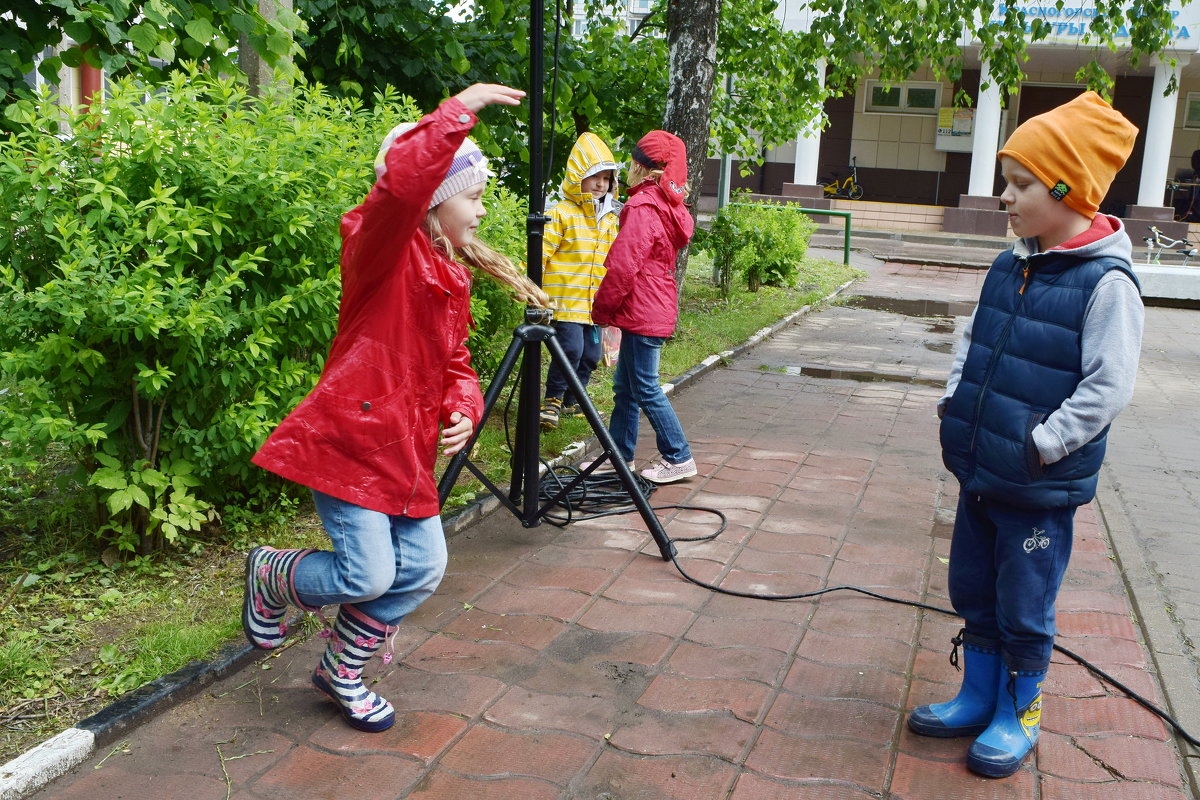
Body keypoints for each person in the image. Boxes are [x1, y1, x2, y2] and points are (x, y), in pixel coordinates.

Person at [242, 83, 547, 733]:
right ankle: (274, 574)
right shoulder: (378, 244)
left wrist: (463, 402)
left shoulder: (451, 277)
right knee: (368, 571)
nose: (483, 211)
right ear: (434, 201)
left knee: (423, 568)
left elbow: (455, 363)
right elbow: (404, 186)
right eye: (475, 196)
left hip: (404, 455)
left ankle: (339, 670)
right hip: (352, 441)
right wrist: (457, 111)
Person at [908, 91, 1144, 778]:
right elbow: (971, 341)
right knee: (974, 585)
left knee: (1024, 601)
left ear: (1068, 189)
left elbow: (1108, 387)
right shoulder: (1009, 264)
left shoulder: (1107, 284)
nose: (1004, 197)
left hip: (1035, 484)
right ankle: (978, 693)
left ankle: (1021, 711)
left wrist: (1044, 445)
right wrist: (955, 402)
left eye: (1021, 184)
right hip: (982, 469)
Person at [590, 130, 697, 484]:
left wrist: (602, 310)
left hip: (643, 310)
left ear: (639, 166)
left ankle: (678, 456)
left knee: (645, 387)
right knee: (626, 387)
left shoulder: (642, 206)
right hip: (651, 306)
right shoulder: (667, 205)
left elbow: (624, 265)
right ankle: (619, 457)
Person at [539, 132, 621, 430]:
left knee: (590, 354)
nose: (601, 184)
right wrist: (531, 284)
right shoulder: (563, 213)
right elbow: (542, 250)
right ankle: (553, 400)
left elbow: (614, 258)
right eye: (594, 177)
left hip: (594, 303)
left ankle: (576, 398)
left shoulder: (610, 217)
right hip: (563, 299)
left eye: (606, 178)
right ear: (578, 177)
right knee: (570, 349)